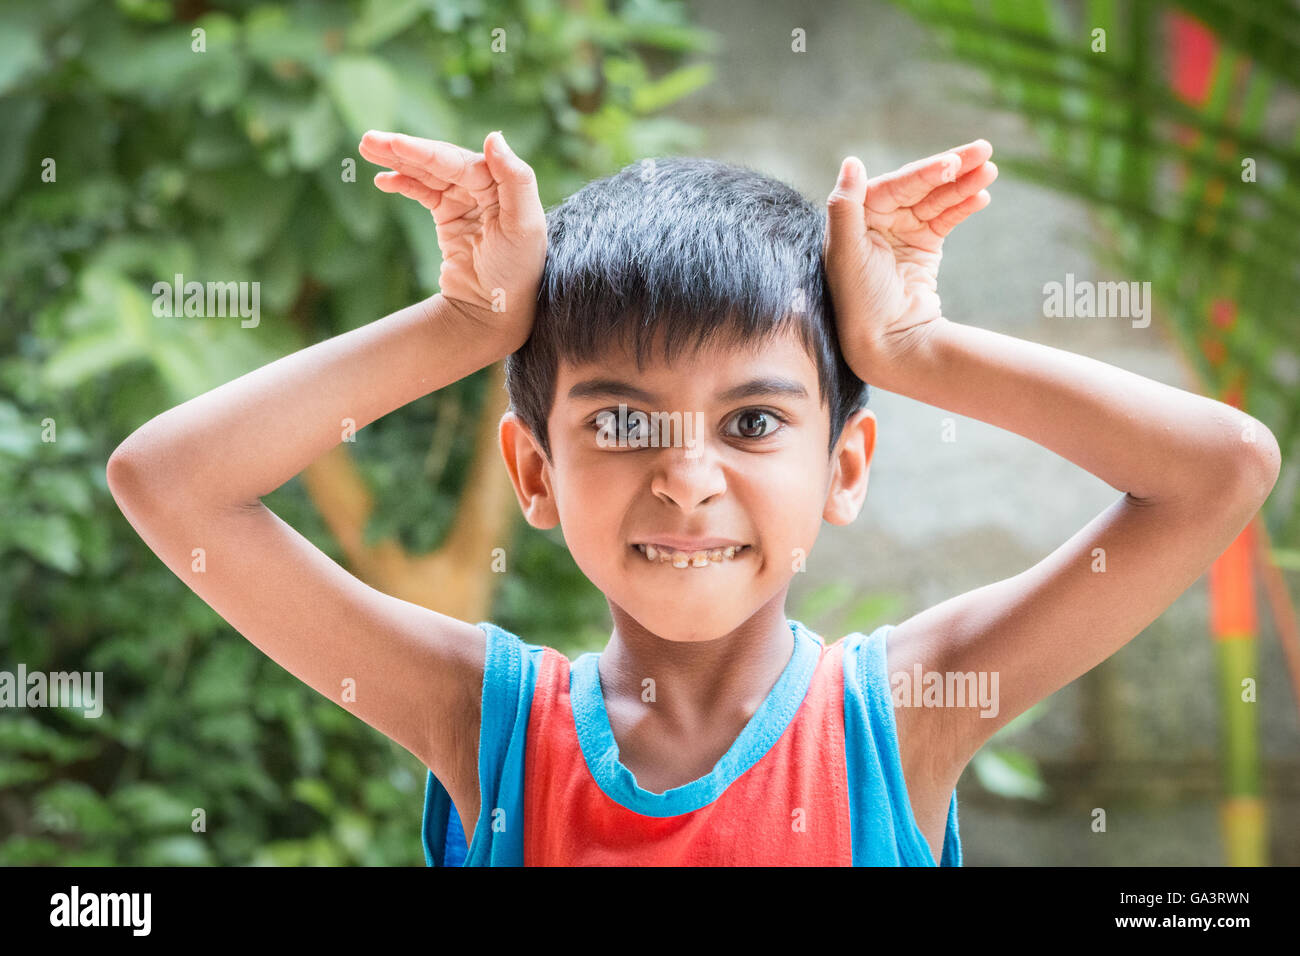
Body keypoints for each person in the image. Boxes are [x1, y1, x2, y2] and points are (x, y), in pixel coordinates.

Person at [107, 129, 1280, 866]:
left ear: (846, 468)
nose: (685, 473)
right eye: (619, 421)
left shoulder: (897, 719)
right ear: (533, 474)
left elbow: (1220, 469)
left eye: (754, 422)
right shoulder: (487, 725)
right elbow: (169, 483)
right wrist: (464, 322)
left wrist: (918, 346)